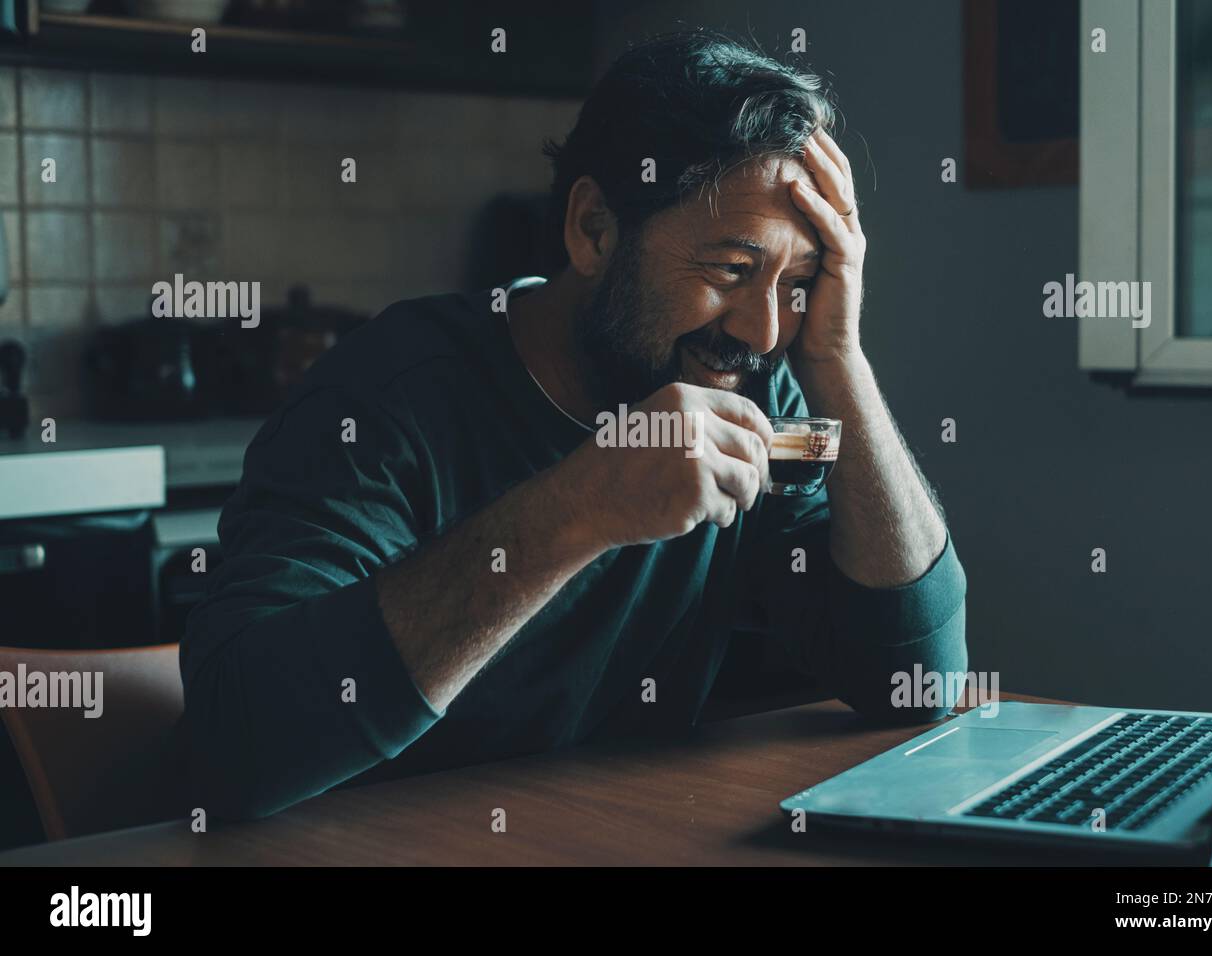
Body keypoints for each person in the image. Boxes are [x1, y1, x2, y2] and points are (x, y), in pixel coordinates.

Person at [181, 30, 967, 819]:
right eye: (732, 270)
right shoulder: (381, 397)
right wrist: (578, 509)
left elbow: (921, 684)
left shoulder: (751, 385)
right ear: (594, 229)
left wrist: (836, 358)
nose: (764, 331)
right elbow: (233, 745)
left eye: (796, 281)